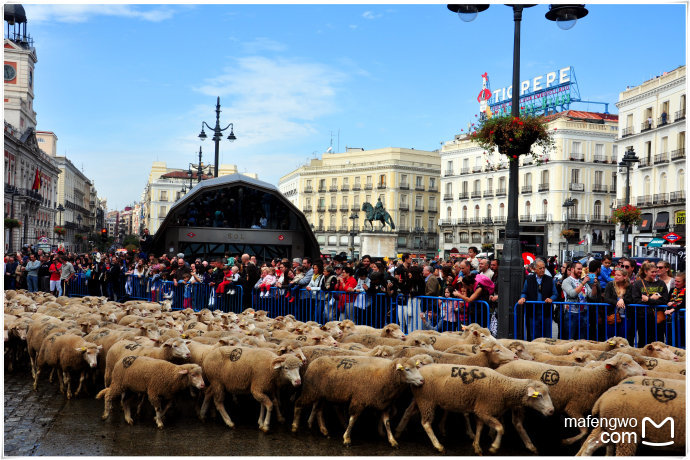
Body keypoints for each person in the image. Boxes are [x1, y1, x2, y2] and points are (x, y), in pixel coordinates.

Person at [517, 258, 557, 340]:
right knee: (533, 336)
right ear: (535, 269)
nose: (542, 270)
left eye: (543, 268)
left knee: (546, 337)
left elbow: (555, 293)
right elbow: (524, 292)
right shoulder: (529, 279)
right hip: (533, 313)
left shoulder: (550, 280)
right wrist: (522, 298)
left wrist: (551, 299)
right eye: (540, 268)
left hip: (546, 313)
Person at [631, 261, 669, 346]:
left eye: (656, 272)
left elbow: (664, 300)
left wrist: (648, 299)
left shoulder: (661, 283)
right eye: (652, 272)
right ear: (646, 272)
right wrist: (652, 299)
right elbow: (636, 300)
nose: (655, 274)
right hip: (642, 317)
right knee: (643, 341)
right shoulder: (638, 283)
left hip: (658, 317)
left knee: (659, 342)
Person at [602, 266, 633, 342]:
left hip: (626, 316)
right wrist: (617, 302)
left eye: (618, 275)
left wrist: (623, 300)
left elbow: (632, 298)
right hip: (613, 315)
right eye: (615, 275)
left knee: (623, 339)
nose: (615, 277)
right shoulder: (610, 285)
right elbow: (606, 298)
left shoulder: (630, 286)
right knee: (611, 339)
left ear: (625, 276)